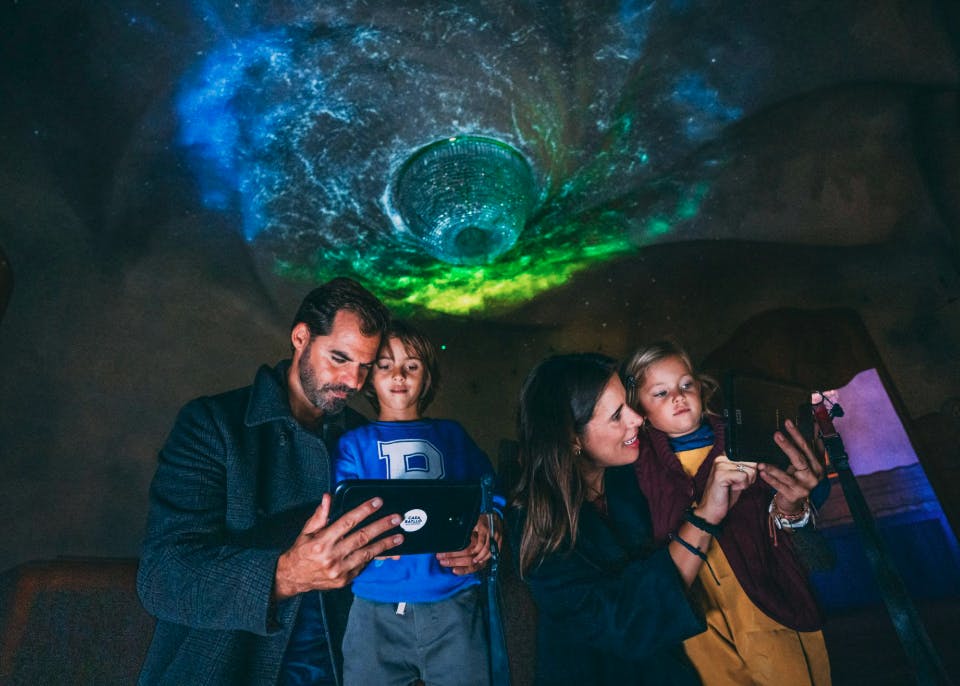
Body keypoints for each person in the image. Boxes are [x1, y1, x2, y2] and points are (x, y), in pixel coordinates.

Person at [136, 278, 482, 686]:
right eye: (340, 358)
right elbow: (162, 577)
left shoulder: (365, 440)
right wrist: (285, 575)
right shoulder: (213, 425)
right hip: (227, 670)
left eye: (365, 366)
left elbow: (418, 523)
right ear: (301, 337)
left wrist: (479, 534)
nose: (353, 381)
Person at [507, 352, 759, 686]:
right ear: (572, 439)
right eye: (617, 416)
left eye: (628, 404)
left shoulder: (634, 472)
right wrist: (703, 519)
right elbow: (624, 622)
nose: (637, 418)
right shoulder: (537, 524)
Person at [622, 340, 831, 686]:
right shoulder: (639, 464)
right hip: (699, 612)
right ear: (638, 409)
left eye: (686, 385)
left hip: (764, 595)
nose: (678, 397)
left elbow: (802, 495)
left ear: (701, 388)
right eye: (660, 393)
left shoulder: (746, 437)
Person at [333, 320, 501, 686]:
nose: (399, 375)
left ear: (427, 379)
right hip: (374, 604)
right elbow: (343, 511)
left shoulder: (452, 436)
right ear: (368, 379)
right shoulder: (353, 444)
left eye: (412, 366)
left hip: (452, 600)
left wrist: (491, 518)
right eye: (385, 365)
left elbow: (489, 489)